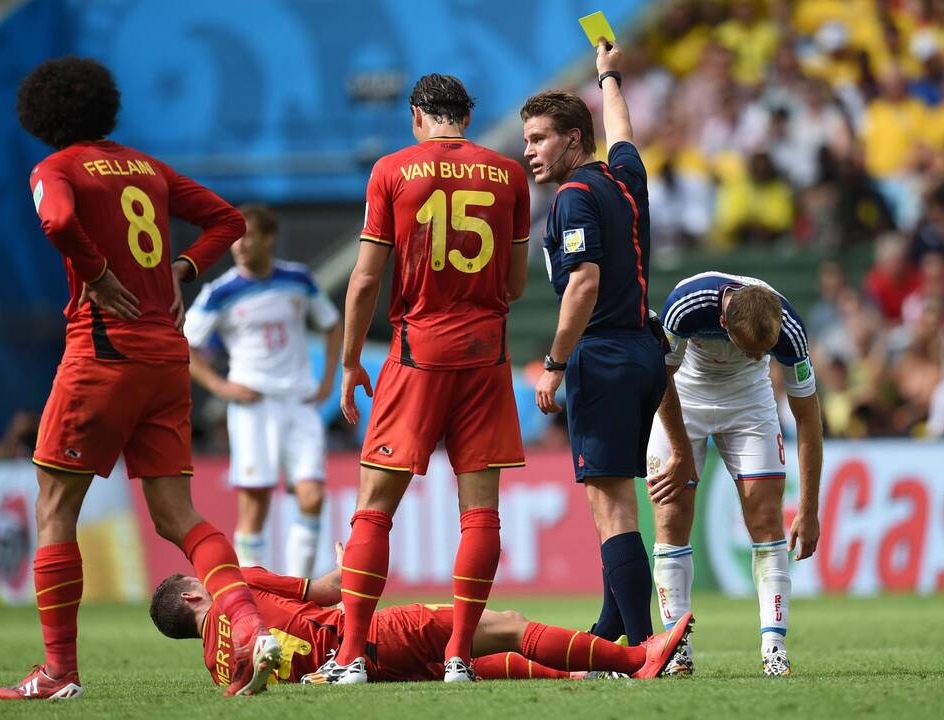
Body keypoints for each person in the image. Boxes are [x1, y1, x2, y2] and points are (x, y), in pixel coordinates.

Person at [0, 57, 281, 700]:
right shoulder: (147, 169)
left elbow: (59, 222)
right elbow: (228, 221)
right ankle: (249, 626)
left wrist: (95, 273)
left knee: (55, 506)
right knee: (180, 516)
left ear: (43, 115)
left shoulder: (56, 168)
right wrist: (182, 267)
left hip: (101, 353)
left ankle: (59, 673)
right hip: (166, 358)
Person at [328, 73, 531, 684]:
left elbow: (365, 279)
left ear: (418, 115)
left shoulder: (391, 170)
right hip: (485, 356)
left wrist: (348, 360)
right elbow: (518, 285)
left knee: (374, 514)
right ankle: (460, 657)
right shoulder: (509, 174)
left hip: (417, 355)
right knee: (481, 516)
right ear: (465, 117)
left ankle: (350, 658)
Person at [521, 40, 688, 648]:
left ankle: (644, 649)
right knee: (611, 504)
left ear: (571, 138)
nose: (529, 152)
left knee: (612, 508)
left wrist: (554, 364)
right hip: (644, 354)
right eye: (525, 141)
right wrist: (609, 75)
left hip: (604, 354)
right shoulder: (624, 181)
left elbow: (583, 282)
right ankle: (612, 633)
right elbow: (622, 130)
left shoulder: (572, 198)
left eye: (539, 139)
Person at [148, 552, 694, 685]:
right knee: (500, 623)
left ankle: (581, 673)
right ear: (195, 596)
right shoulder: (233, 586)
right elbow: (332, 589)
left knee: (470, 659)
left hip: (357, 672)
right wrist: (354, 555)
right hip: (364, 640)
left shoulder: (219, 668)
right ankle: (634, 658)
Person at [646, 272, 823, 677]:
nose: (763, 357)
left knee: (765, 521)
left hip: (749, 401)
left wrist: (810, 508)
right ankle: (676, 648)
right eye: (753, 350)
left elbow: (809, 421)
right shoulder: (685, 305)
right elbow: (660, 379)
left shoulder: (789, 328)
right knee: (670, 518)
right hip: (683, 397)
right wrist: (679, 450)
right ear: (723, 323)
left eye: (767, 351)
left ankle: (774, 648)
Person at [184, 203, 343, 578]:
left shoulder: (299, 280)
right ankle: (256, 597)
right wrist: (220, 385)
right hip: (254, 407)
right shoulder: (219, 293)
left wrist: (327, 381)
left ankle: (300, 591)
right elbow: (183, 343)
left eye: (249, 235)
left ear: (269, 239)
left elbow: (332, 324)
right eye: (235, 238)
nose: (239, 245)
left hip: (300, 404)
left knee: (312, 497)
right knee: (255, 504)